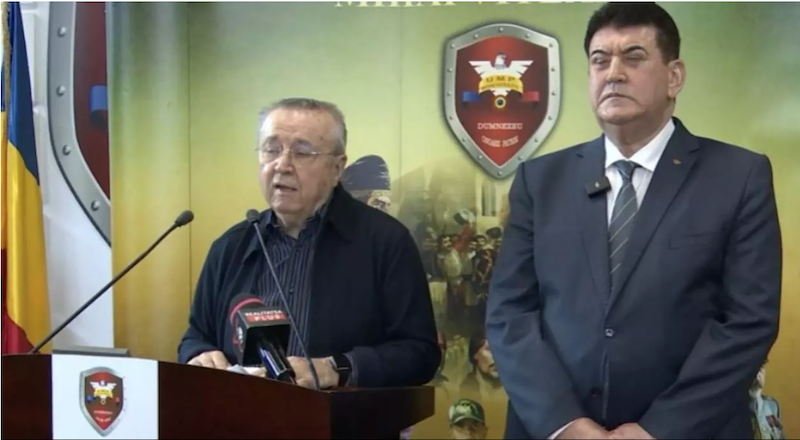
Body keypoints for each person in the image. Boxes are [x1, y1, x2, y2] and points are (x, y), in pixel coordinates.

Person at [486, 3, 782, 440]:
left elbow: (748, 322)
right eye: (599, 60)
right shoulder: (540, 180)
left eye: (633, 57)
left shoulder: (738, 176)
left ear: (675, 76)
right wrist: (563, 424)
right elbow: (510, 313)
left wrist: (658, 430)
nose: (613, 74)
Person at [177, 97, 440, 391]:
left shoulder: (386, 242)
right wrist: (200, 354)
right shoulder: (230, 247)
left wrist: (336, 368)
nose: (282, 165)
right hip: (241, 414)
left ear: (337, 169)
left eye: (302, 153)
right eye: (271, 149)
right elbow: (196, 337)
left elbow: (420, 354)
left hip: (341, 416)